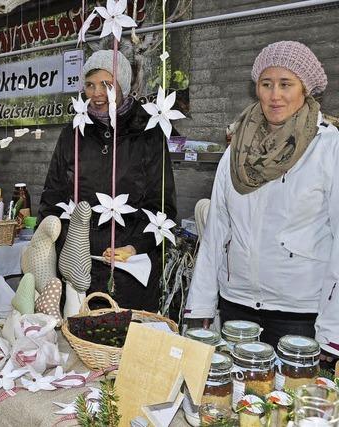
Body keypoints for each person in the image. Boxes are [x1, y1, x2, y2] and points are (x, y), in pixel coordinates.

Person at [185, 41, 338, 366]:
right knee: (230, 403)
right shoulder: (236, 150)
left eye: (286, 84)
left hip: (299, 314)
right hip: (236, 308)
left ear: (305, 90)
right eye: (266, 84)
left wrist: (332, 330)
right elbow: (215, 235)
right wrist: (200, 307)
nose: (274, 95)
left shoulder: (328, 149)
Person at [38, 50, 177, 311]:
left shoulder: (148, 134)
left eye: (107, 84)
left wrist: (135, 246)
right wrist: (62, 241)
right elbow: (52, 196)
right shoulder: (73, 133)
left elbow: (163, 206)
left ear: (122, 85)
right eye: (90, 85)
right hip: (77, 269)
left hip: (128, 273)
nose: (97, 93)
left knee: (124, 344)